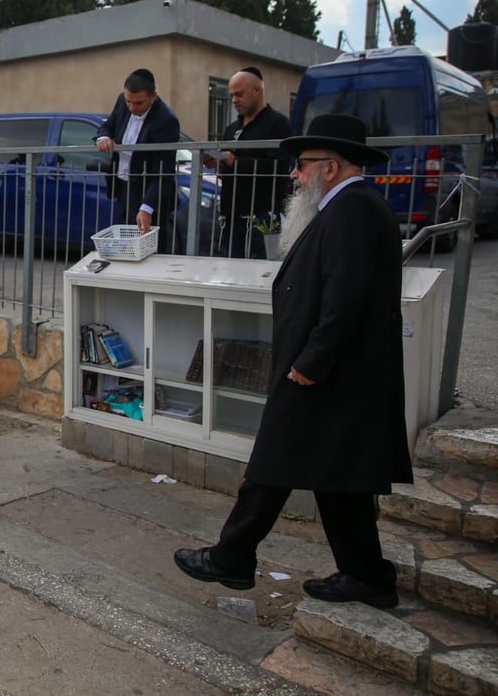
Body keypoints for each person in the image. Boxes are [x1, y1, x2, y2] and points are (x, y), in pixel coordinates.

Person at [173, 114, 412, 609]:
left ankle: (232, 557)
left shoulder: (354, 210)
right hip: (329, 369)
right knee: (334, 473)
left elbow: (346, 299)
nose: (293, 174)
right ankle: (367, 574)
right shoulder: (346, 207)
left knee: (275, 461)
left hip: (326, 370)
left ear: (331, 166)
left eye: (302, 165)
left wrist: (312, 360)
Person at [93, 69, 181, 247]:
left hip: (147, 191)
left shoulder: (166, 120)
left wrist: (147, 208)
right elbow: (108, 125)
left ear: (153, 97)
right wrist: (104, 138)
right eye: (128, 102)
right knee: (125, 245)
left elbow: (164, 171)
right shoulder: (122, 101)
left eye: (139, 103)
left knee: (148, 247)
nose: (132, 108)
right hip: (123, 186)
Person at [215, 67, 293, 259]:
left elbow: (278, 168)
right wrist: (220, 165)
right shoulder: (232, 128)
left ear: (256, 91)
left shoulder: (278, 123)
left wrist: (236, 162)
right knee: (233, 273)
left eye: (239, 95)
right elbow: (228, 170)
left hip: (263, 215)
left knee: (265, 273)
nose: (234, 100)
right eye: (232, 95)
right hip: (232, 216)